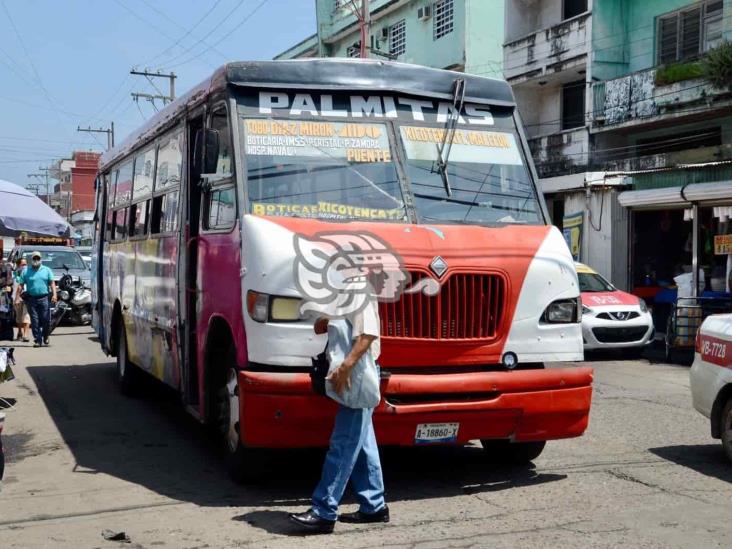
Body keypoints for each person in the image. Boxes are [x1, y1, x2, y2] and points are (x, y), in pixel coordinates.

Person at [290, 296, 388, 534]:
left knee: (343, 444)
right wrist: (328, 318)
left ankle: (324, 510)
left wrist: (345, 368)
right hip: (355, 371)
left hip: (356, 373)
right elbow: (321, 325)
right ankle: (374, 505)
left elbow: (368, 335)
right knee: (364, 444)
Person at [20, 251, 57, 347]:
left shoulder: (47, 270)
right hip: (31, 299)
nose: (36, 260)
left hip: (44, 298)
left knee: (45, 320)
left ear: (41, 260)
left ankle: (45, 336)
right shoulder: (26, 271)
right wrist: (18, 296)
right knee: (34, 320)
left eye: (38, 258)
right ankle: (37, 340)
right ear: (31, 260)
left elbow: (52, 283)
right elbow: (21, 284)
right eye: (34, 258)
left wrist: (54, 295)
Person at [12, 258, 30, 342]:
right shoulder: (13, 275)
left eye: (26, 264)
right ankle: (19, 332)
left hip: (27, 297)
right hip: (16, 298)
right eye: (23, 265)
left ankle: (25, 335)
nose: (25, 266)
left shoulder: (29, 274)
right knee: (19, 317)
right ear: (18, 265)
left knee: (26, 316)